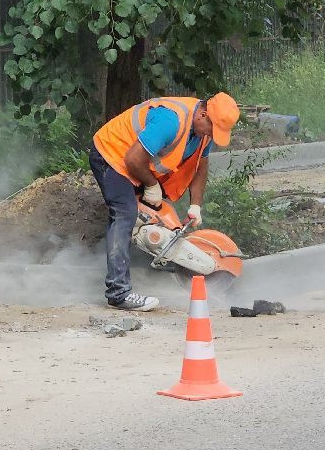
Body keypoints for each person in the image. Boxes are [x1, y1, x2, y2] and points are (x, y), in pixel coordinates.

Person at [90, 93, 240, 311]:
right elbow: (133, 159)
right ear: (203, 115)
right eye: (212, 130)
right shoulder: (170, 121)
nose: (211, 136)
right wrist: (151, 185)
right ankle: (118, 292)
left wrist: (195, 205)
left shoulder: (203, 132)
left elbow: (200, 165)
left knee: (153, 214)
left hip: (138, 162)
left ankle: (137, 270)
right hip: (112, 155)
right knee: (125, 213)